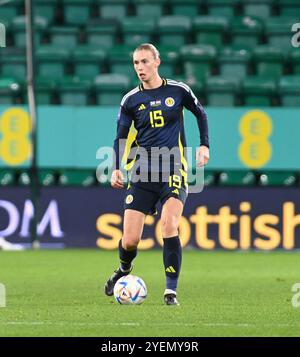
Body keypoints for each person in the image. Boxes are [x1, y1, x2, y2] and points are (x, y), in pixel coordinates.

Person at [104, 43, 209, 305]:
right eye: (136, 63)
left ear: (157, 62)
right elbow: (121, 135)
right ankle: (124, 269)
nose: (140, 67)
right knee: (130, 240)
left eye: (144, 62)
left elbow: (201, 114)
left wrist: (205, 144)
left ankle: (170, 290)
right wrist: (117, 167)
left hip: (173, 167)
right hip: (141, 171)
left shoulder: (178, 90)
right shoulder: (130, 100)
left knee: (169, 224)